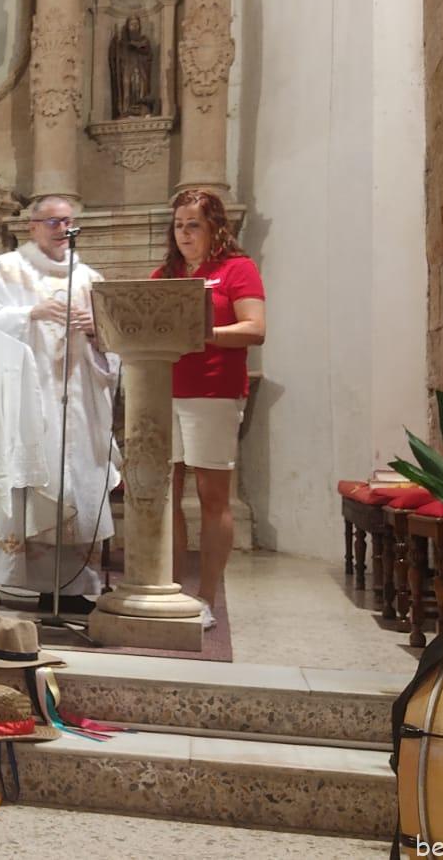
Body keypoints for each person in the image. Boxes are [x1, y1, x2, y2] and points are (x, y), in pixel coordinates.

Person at [0, 195, 121, 615]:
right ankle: (9, 578)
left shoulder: (89, 278)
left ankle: (69, 588)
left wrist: (96, 331)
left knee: (76, 483)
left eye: (67, 221)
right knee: (28, 482)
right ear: (32, 226)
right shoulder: (6, 270)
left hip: (78, 404)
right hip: (26, 402)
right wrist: (29, 313)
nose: (62, 229)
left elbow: (115, 348)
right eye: (52, 222)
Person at [151, 189, 266, 629]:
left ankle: (207, 598)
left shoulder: (237, 268)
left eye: (194, 224)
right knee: (166, 496)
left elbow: (255, 328)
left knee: (212, 497)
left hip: (213, 392)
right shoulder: (164, 274)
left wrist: (206, 332)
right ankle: (170, 590)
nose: (184, 233)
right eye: (179, 225)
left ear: (215, 227)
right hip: (163, 391)